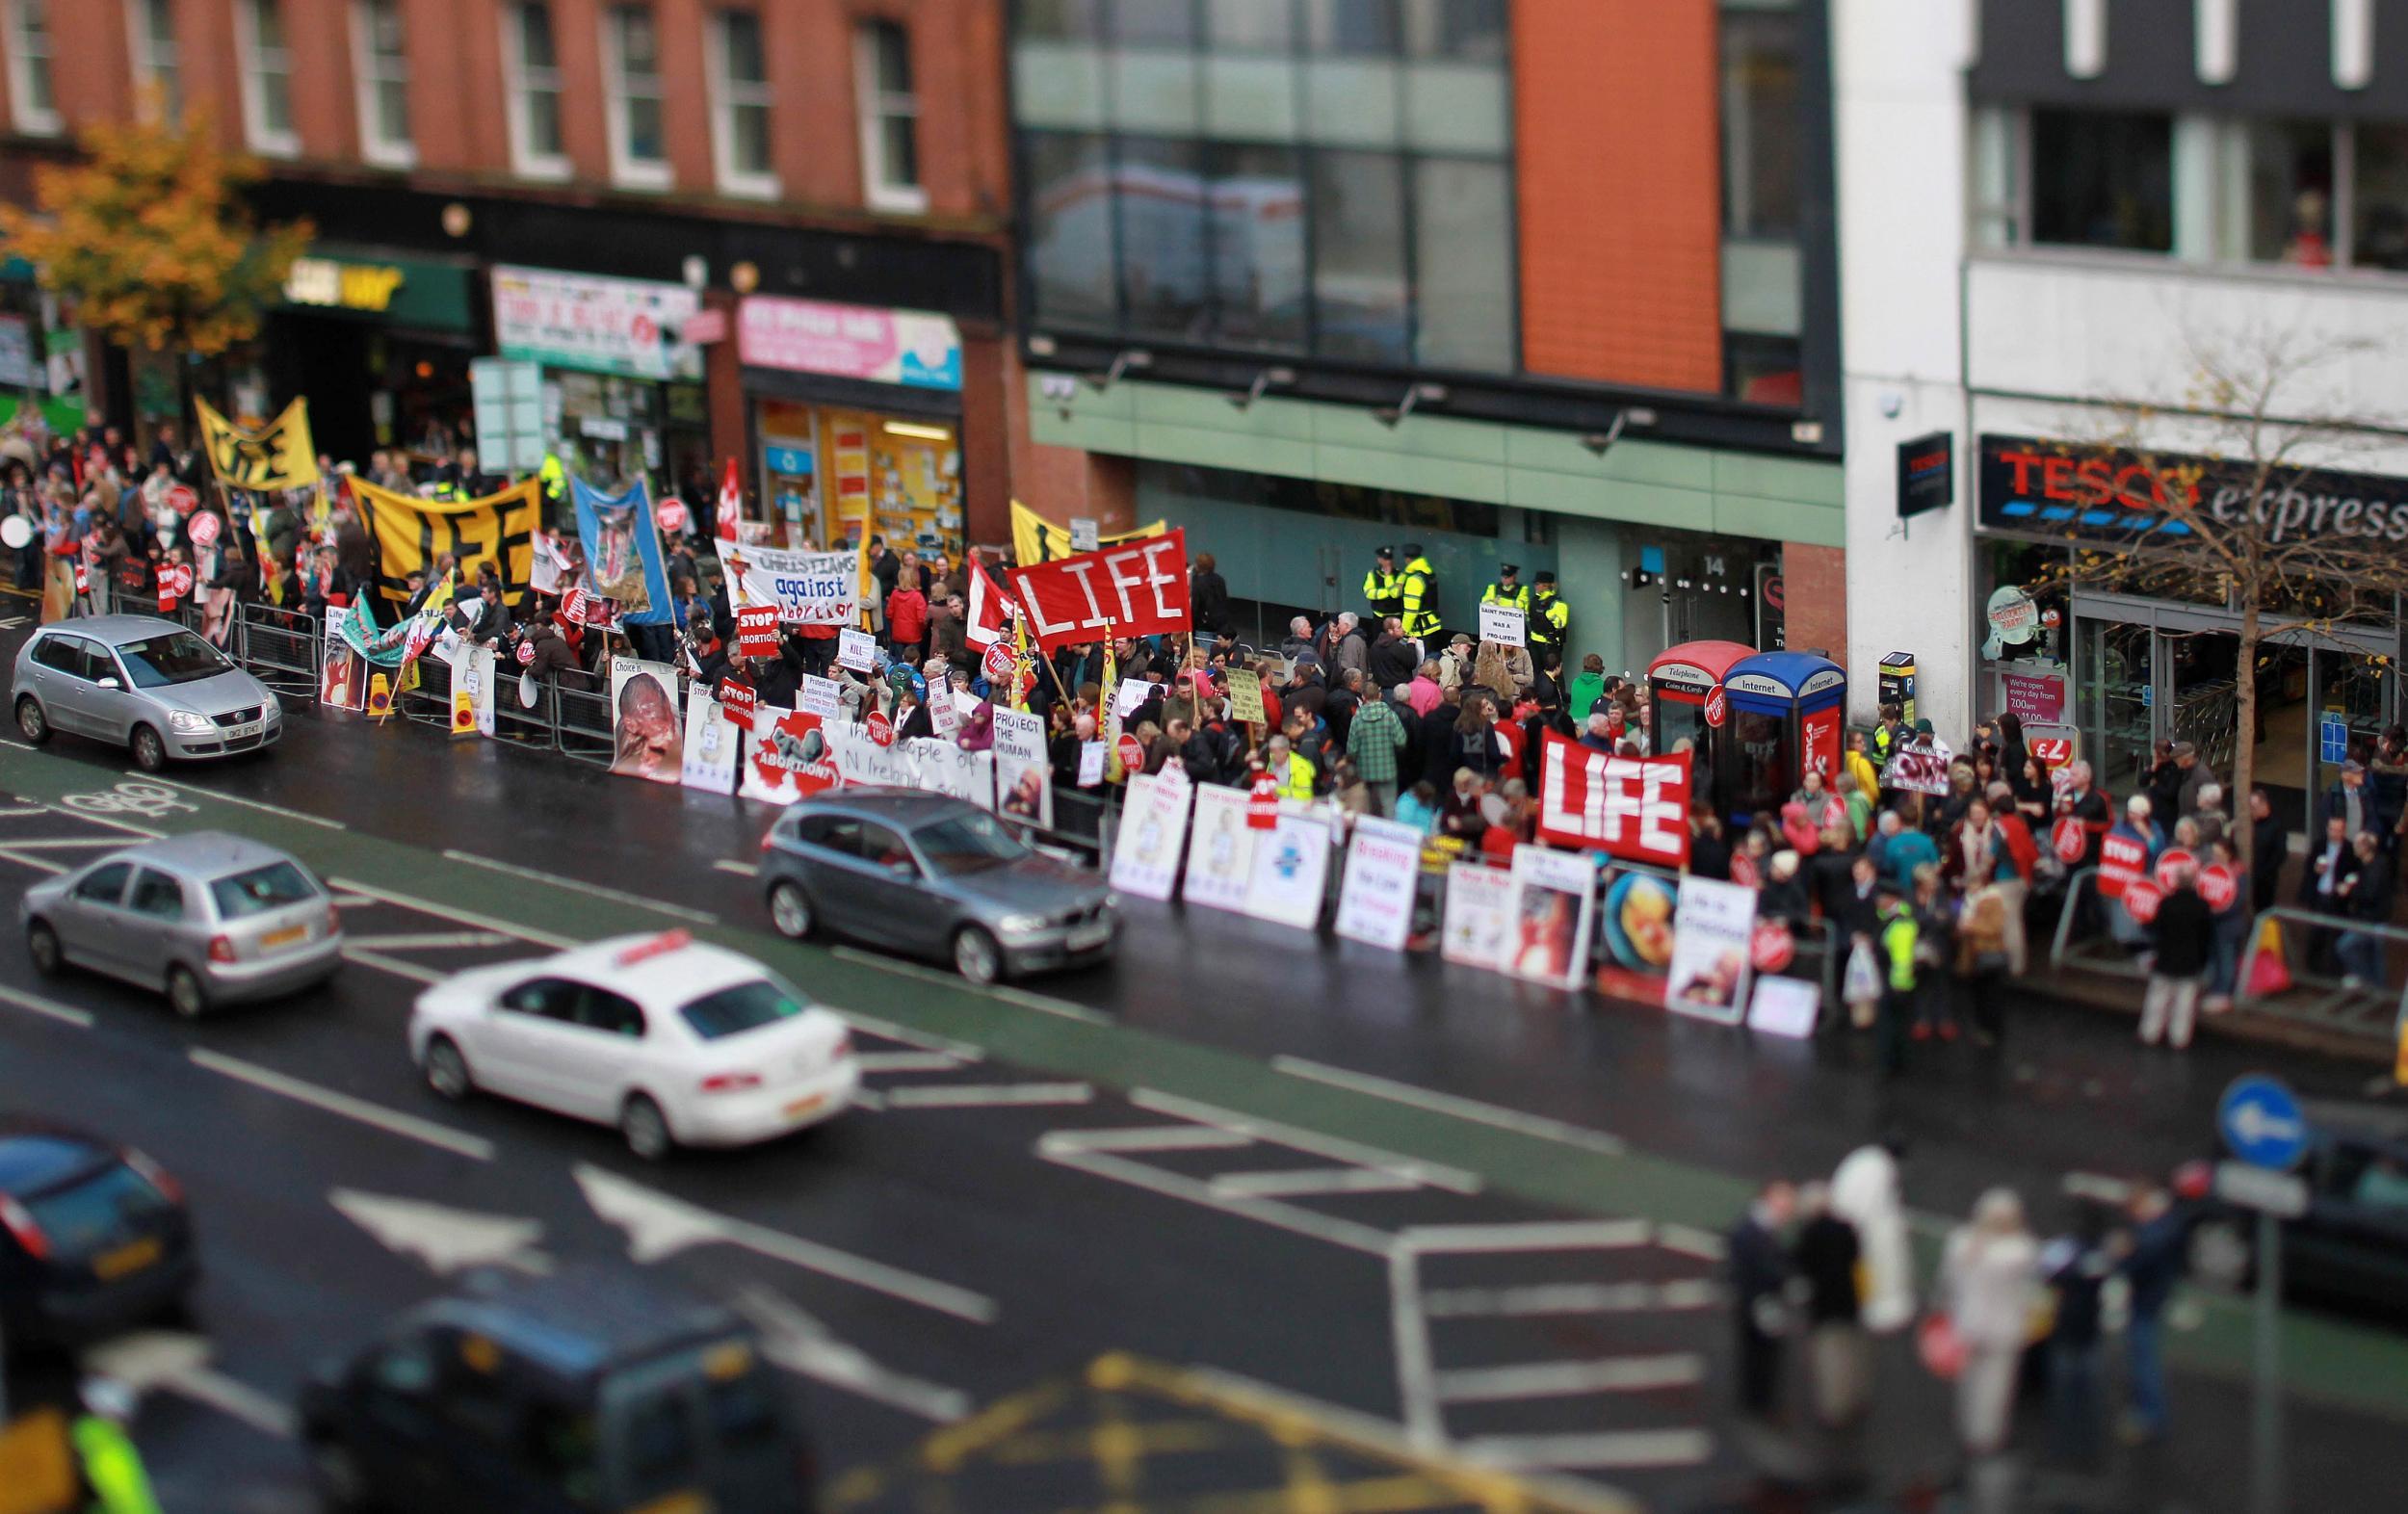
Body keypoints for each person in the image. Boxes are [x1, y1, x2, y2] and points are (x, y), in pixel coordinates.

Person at [1939, 1189, 2038, 1481]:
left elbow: (1948, 1282)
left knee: (1968, 1380)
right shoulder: (2018, 1251)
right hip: (2002, 1329)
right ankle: (1986, 1437)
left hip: (1968, 1324)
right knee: (1994, 1387)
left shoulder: (1959, 1243)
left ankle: (1967, 1428)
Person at [2040, 1201, 2116, 1470]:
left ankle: (2064, 1449)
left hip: (2069, 1330)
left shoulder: (2068, 1252)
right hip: (2088, 1332)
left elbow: (2051, 1277)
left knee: (2066, 1395)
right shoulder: (2101, 1254)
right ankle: (2086, 1451)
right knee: (2088, 1397)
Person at [1791, 1182, 1869, 1431]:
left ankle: (1835, 1409)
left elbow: (1800, 1265)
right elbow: (1859, 1265)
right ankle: (1855, 1397)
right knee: (1851, 1354)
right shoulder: (1847, 1229)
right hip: (1850, 1303)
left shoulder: (1809, 1234)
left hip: (1824, 1307)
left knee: (1830, 1360)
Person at [2118, 1183, 2186, 1445]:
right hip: (2155, 1298)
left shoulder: (2152, 1235)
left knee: (2144, 1360)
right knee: (2144, 1356)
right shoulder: (2170, 1223)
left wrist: (2122, 1257)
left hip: (2145, 1302)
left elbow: (2135, 1263)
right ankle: (2148, 1413)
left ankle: (2150, 1416)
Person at [1727, 1179, 1795, 1420]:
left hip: (1753, 1302)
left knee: (1759, 1352)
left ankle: (1756, 1398)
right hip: (1759, 1303)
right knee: (1762, 1353)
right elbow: (1766, 1269)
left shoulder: (1753, 1226)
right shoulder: (1755, 1232)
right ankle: (1759, 1402)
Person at [1832, 1134, 1916, 1332]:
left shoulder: (1862, 1158)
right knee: (1872, 1270)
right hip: (1861, 1230)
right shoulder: (1881, 1168)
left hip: (1844, 1225)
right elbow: (1873, 1204)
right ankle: (1866, 1308)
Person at [2142, 863, 2212, 1048]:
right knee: (2184, 1005)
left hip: (2165, 959)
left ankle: (2150, 1033)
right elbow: (2206, 937)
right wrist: (2202, 960)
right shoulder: (2202, 907)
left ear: (2177, 882)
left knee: (2157, 999)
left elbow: (2156, 929)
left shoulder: (2166, 904)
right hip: (2190, 962)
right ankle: (2179, 1039)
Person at [2336, 829, 2393, 987]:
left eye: (2357, 844)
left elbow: (2369, 893)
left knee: (2345, 946)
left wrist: (2349, 890)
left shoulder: (2374, 867)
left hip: (2370, 919)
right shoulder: (2373, 863)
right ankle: (2377, 987)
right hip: (2374, 917)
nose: (2353, 847)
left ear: (2364, 847)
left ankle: (2369, 980)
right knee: (2376, 954)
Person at [1874, 879, 1918, 1076]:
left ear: (1890, 899)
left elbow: (1902, 958)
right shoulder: (1893, 917)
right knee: (1896, 1023)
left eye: (1881, 897)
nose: (1877, 900)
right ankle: (1896, 1060)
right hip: (1892, 979)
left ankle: (1891, 1063)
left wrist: (1898, 985)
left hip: (1895, 982)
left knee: (1891, 1023)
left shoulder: (1900, 924)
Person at [1348, 685, 1408, 816]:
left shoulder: (1357, 719)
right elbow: (1401, 741)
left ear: (1363, 697)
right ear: (1380, 695)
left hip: (1365, 772)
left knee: (1367, 809)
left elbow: (1351, 750)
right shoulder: (1390, 716)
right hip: (1387, 770)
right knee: (1388, 808)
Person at [1398, 543, 1440, 641]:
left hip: (1419, 631)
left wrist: (1403, 631)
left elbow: (1411, 611)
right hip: (1432, 625)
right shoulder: (1428, 573)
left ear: (1407, 559)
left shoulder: (1414, 580)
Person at [1529, 569, 1569, 667]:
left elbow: (1560, 624)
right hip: (1534, 643)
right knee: (1536, 674)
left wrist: (1550, 615)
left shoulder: (1557, 603)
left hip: (1549, 644)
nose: (1535, 586)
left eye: (1537, 584)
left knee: (1552, 674)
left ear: (1545, 585)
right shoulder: (1534, 600)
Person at [1361, 545, 1403, 622]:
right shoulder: (1373, 574)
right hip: (1379, 616)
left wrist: (1388, 576)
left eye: (1389, 559)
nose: (1388, 562)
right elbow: (1368, 593)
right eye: (1385, 559)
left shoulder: (1399, 574)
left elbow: (1395, 594)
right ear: (1379, 560)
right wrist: (1388, 592)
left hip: (1396, 616)